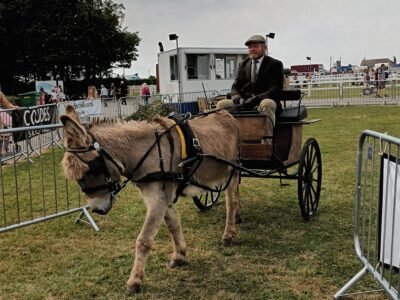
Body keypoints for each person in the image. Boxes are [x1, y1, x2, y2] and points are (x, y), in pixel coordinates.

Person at [216, 34, 283, 143]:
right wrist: (238, 99)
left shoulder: (275, 64)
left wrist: (257, 99)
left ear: (264, 48)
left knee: (267, 104)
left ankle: (266, 143)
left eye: (255, 46)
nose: (252, 49)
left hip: (265, 101)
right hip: (245, 102)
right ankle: (228, 142)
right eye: (250, 47)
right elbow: (235, 87)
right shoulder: (243, 64)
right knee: (221, 105)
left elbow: (275, 88)